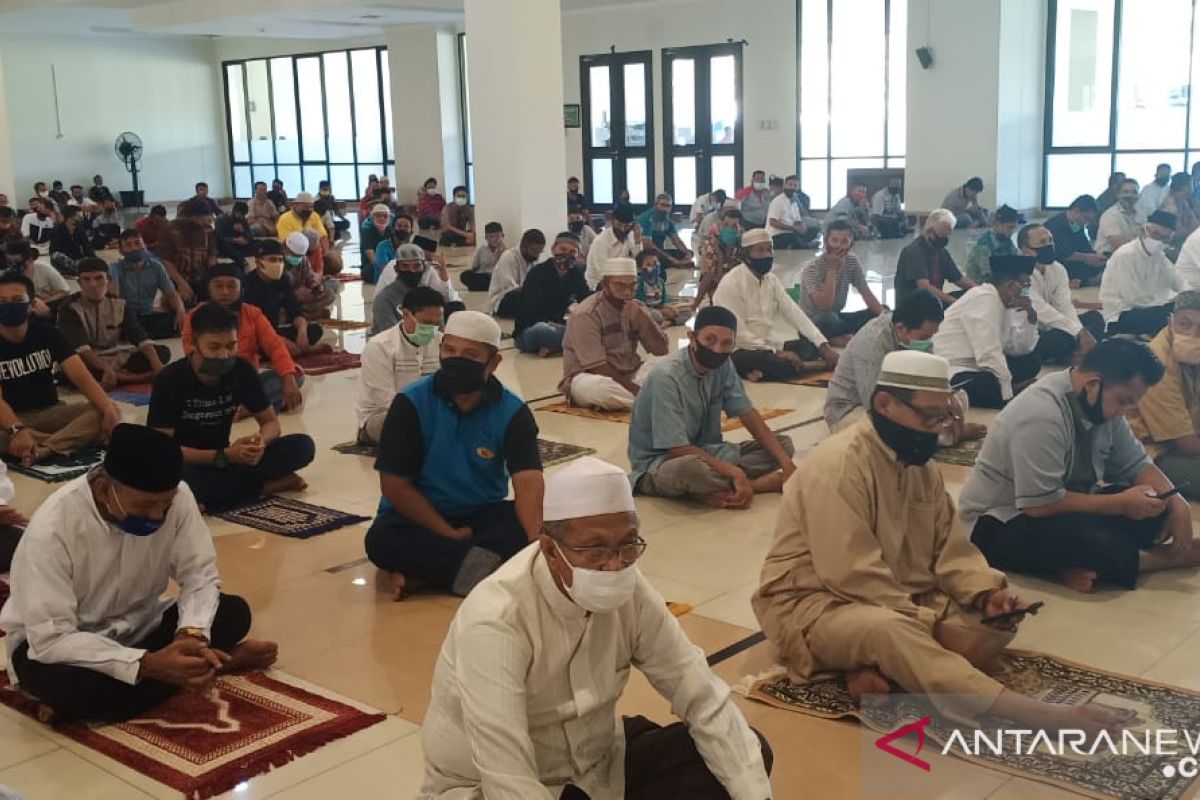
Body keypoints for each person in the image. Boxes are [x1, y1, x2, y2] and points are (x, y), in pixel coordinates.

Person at [754, 350, 1126, 733]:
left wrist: (985, 594)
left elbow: (952, 551)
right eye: (929, 417)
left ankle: (873, 668)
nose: (937, 429)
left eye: (943, 417)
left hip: (900, 596)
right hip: (816, 603)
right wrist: (925, 622)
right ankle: (1036, 715)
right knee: (891, 631)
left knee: (993, 622)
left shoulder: (921, 467)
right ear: (885, 404)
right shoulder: (836, 466)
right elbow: (849, 573)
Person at [417, 456, 773, 800]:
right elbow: (506, 776)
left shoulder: (631, 589)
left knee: (743, 753)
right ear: (550, 550)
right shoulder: (497, 620)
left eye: (627, 545)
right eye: (594, 549)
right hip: (492, 784)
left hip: (596, 763)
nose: (614, 565)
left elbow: (700, 693)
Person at [0, 424, 278, 723]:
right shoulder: (53, 528)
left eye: (165, 505)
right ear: (105, 490)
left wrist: (191, 635)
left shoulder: (178, 497)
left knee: (232, 611)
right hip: (63, 645)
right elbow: (52, 639)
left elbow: (200, 574)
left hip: (141, 625)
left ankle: (157, 680)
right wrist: (146, 663)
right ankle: (218, 664)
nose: (158, 516)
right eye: (146, 506)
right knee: (71, 687)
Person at [960, 339, 1200, 592]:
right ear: (1093, 384)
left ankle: (1071, 565)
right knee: (1090, 542)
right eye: (1123, 401)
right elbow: (1039, 505)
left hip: (1064, 509)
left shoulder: (1102, 404)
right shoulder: (1041, 414)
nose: (1128, 412)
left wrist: (1178, 504)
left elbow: (1138, 464)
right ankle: (1159, 559)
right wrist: (1121, 504)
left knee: (1156, 506)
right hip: (1000, 521)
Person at [366, 310, 543, 600]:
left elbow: (529, 481)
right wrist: (446, 532)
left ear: (494, 363)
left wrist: (536, 543)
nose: (457, 359)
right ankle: (487, 572)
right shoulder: (411, 403)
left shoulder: (513, 412)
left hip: (480, 515)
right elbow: (395, 486)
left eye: (470, 354)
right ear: (440, 350)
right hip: (417, 518)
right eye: (450, 350)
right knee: (381, 541)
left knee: (532, 525)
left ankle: (424, 574)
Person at [151, 302, 314, 511]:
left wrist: (257, 444)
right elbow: (162, 449)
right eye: (214, 347)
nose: (224, 355)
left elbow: (271, 423)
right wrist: (223, 455)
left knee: (302, 446)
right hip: (189, 462)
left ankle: (214, 498)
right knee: (165, 475)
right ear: (193, 343)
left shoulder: (242, 370)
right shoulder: (170, 379)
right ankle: (265, 487)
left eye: (231, 346)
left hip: (230, 459)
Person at [628, 305, 796, 508]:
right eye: (710, 340)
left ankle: (710, 490)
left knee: (784, 445)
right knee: (690, 469)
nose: (717, 349)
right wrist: (734, 472)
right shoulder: (667, 377)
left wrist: (787, 465)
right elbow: (677, 449)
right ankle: (756, 484)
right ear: (692, 338)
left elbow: (748, 413)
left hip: (708, 452)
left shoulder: (722, 366)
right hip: (661, 464)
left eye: (726, 344)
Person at [0, 272, 117, 465]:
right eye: (2, 301)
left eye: (16, 300)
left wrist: (108, 409)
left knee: (103, 411)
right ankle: (67, 441)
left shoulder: (48, 334)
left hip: (51, 411)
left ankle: (44, 449)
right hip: (10, 420)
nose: (9, 305)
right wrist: (17, 430)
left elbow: (81, 376)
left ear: (31, 305)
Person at [714, 228, 837, 382]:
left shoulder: (771, 280)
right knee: (779, 364)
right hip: (738, 349)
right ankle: (817, 366)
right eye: (759, 250)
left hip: (766, 344)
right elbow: (738, 334)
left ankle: (758, 372)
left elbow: (794, 312)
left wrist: (823, 345)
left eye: (769, 249)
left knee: (808, 348)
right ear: (745, 255)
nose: (767, 255)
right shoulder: (731, 283)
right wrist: (776, 352)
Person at [182, 266, 304, 412]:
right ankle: (256, 406)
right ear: (208, 289)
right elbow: (190, 354)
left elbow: (275, 346)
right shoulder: (195, 316)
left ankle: (244, 407)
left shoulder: (253, 314)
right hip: (209, 381)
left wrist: (288, 378)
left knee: (293, 375)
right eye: (218, 286)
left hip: (246, 382)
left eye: (231, 286)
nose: (225, 292)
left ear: (242, 290)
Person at [824, 291, 945, 431]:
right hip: (851, 409)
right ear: (900, 328)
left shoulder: (912, 335)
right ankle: (943, 435)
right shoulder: (873, 341)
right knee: (906, 429)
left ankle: (940, 433)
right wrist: (917, 412)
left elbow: (927, 377)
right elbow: (874, 403)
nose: (928, 342)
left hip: (896, 400)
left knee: (957, 401)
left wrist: (943, 399)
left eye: (931, 336)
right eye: (924, 337)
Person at [930, 255, 1040, 409]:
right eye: (1025, 285)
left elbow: (1016, 348)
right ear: (1010, 286)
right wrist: (1006, 395)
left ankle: (1007, 390)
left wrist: (1030, 318)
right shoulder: (984, 298)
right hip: (954, 367)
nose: (1027, 290)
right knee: (986, 383)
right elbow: (988, 353)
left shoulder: (1005, 303)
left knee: (1031, 360)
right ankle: (1009, 393)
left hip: (978, 364)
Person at [560, 257, 669, 411]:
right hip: (590, 377)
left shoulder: (637, 307)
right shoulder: (587, 314)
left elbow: (661, 351)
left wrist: (644, 319)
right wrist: (634, 389)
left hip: (630, 373)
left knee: (666, 366)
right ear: (605, 285)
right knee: (601, 390)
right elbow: (597, 367)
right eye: (620, 286)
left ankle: (641, 401)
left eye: (632, 286)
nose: (627, 292)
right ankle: (652, 403)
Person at [58, 258, 170, 389]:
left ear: (108, 280)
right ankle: (140, 378)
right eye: (86, 279)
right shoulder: (69, 308)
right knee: (73, 370)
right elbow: (81, 348)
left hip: (115, 355)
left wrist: (156, 363)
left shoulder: (119, 304)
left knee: (161, 353)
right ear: (79, 283)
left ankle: (118, 377)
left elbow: (139, 335)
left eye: (99, 278)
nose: (93, 284)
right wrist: (106, 369)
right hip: (87, 358)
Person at [1130, 290, 1200, 499]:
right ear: (1170, 322)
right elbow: (1186, 444)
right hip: (1155, 452)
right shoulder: (1157, 363)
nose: (1192, 335)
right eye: (1184, 324)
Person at [357, 288, 444, 448]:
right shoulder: (380, 347)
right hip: (385, 417)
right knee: (404, 427)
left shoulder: (441, 342)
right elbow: (385, 401)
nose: (432, 329)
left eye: (436, 324)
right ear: (405, 314)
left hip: (431, 414)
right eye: (426, 323)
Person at [1018, 223, 1103, 366]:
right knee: (1063, 338)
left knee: (1095, 318)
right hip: (1029, 331)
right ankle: (1075, 352)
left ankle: (1073, 353)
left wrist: (1079, 330)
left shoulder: (1057, 269)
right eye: (1042, 242)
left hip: (1055, 326)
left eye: (1050, 240)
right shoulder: (1019, 273)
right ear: (1026, 249)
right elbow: (1040, 310)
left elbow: (1064, 305)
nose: (1049, 245)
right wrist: (1078, 332)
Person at [798, 219, 884, 342]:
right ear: (826, 241)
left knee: (876, 313)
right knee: (828, 316)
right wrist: (831, 270)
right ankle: (839, 337)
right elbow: (824, 305)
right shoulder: (812, 268)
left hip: (836, 317)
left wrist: (885, 317)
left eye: (844, 241)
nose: (838, 246)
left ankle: (841, 336)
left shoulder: (852, 262)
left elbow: (866, 293)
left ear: (851, 243)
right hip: (813, 321)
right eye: (834, 240)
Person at [241, 239, 329, 358]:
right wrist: (278, 340)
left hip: (275, 330)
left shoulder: (283, 280)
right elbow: (251, 326)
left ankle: (293, 349)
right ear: (258, 262)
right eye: (272, 260)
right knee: (251, 345)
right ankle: (303, 351)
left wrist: (302, 333)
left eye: (280, 260)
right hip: (256, 334)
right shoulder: (248, 284)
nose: (277, 264)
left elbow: (295, 311)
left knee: (314, 330)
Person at [1100, 209, 1182, 336]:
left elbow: (1179, 283)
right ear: (1143, 231)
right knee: (1171, 315)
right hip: (1121, 316)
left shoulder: (1159, 257)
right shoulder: (1125, 255)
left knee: (1186, 308)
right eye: (1156, 234)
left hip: (1150, 309)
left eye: (1165, 238)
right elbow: (1133, 299)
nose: (1160, 241)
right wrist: (1165, 302)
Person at [514, 233, 590, 357]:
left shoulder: (576, 274)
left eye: (572, 252)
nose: (567, 255)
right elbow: (531, 312)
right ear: (553, 249)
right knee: (543, 330)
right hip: (531, 329)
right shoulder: (538, 273)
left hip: (562, 327)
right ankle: (566, 345)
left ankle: (556, 347)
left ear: (578, 254)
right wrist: (557, 322)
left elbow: (586, 300)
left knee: (592, 329)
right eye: (563, 249)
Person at [371, 244, 465, 335]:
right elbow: (391, 336)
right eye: (405, 266)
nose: (411, 271)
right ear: (396, 269)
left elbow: (439, 331)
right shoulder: (385, 299)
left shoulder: (428, 295)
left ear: (424, 268)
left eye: (416, 266)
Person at [109, 229, 185, 340]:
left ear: (145, 245)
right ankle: (141, 335)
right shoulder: (115, 268)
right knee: (119, 327)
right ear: (121, 251)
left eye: (138, 243)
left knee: (177, 319)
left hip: (148, 314)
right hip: (127, 316)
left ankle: (140, 336)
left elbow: (171, 293)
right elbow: (113, 297)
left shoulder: (156, 266)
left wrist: (180, 309)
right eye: (128, 245)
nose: (135, 248)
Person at [894, 209, 977, 306]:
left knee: (971, 296)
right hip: (915, 305)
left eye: (947, 236)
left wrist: (979, 290)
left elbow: (958, 279)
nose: (944, 240)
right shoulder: (913, 251)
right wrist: (955, 302)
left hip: (934, 301)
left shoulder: (941, 252)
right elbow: (924, 287)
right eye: (942, 236)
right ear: (929, 232)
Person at [154, 198, 217, 307]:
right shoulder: (170, 229)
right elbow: (166, 261)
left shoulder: (207, 230)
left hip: (201, 278)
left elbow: (212, 255)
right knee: (179, 310)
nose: (208, 219)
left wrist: (212, 278)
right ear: (192, 216)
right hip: (175, 279)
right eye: (203, 217)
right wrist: (181, 284)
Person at [1044, 194, 1105, 285]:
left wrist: (1097, 257)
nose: (1087, 223)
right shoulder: (1055, 225)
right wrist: (1086, 258)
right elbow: (1063, 254)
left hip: (1075, 261)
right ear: (1076, 211)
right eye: (1086, 219)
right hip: (1057, 264)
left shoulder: (1077, 225)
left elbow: (1085, 247)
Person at [488, 228, 546, 317]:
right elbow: (509, 288)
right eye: (534, 251)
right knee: (521, 296)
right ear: (524, 246)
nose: (537, 255)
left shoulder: (533, 258)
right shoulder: (509, 256)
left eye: (539, 252)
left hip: (523, 295)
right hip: (503, 300)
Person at [281, 232, 338, 321]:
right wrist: (294, 294)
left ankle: (304, 314)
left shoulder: (303, 260)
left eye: (299, 256)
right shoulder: (277, 261)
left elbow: (309, 277)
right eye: (294, 255)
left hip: (303, 298)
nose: (297, 258)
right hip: (285, 299)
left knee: (330, 293)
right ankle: (306, 315)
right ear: (285, 248)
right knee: (280, 309)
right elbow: (273, 291)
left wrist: (317, 285)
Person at [694, 209, 744, 309]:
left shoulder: (742, 243)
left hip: (732, 281)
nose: (729, 229)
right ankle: (696, 304)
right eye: (726, 225)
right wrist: (720, 255)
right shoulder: (711, 243)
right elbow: (712, 275)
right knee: (709, 279)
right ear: (720, 224)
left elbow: (738, 272)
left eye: (734, 227)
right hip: (716, 277)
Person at [6, 241, 68, 320]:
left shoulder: (43, 268)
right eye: (10, 263)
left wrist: (44, 302)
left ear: (30, 260)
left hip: (48, 308)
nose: (13, 267)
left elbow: (65, 291)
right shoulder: (7, 276)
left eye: (18, 263)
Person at [585, 206, 641, 290]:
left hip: (624, 278)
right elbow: (603, 272)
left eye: (627, 226)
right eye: (619, 225)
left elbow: (638, 261)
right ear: (612, 221)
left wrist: (638, 240)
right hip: (599, 284)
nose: (622, 229)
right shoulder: (601, 241)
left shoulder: (630, 234)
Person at [636, 193, 694, 268]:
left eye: (668, 206)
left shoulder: (667, 221)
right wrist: (671, 259)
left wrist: (687, 253)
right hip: (645, 252)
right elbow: (648, 245)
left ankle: (676, 263)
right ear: (656, 205)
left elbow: (676, 240)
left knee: (688, 252)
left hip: (660, 250)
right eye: (662, 205)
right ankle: (674, 263)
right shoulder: (647, 219)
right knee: (658, 258)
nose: (665, 208)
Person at [964, 204, 1019, 283]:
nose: (1012, 231)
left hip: (1001, 281)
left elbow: (1015, 260)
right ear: (996, 224)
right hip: (981, 287)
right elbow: (988, 277)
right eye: (1009, 227)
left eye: (1014, 227)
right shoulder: (984, 245)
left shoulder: (1005, 239)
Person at [634, 250, 687, 327]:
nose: (654, 267)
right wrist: (662, 312)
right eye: (649, 265)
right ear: (639, 269)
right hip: (647, 311)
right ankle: (663, 322)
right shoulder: (640, 283)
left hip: (659, 310)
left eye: (656, 263)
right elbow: (641, 306)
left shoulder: (660, 282)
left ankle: (668, 322)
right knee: (656, 315)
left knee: (686, 312)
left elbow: (663, 303)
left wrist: (670, 309)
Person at [766, 174, 820, 248]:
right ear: (785, 185)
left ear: (798, 187)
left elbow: (797, 221)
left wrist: (802, 227)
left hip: (790, 231)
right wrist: (793, 228)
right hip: (776, 235)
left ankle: (803, 243)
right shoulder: (778, 201)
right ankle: (806, 245)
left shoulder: (794, 203)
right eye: (790, 184)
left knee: (813, 230)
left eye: (795, 185)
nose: (792, 187)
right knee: (791, 236)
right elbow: (773, 222)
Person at [1094, 178, 1142, 256]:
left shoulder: (1140, 214)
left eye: (1134, 192)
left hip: (1130, 257)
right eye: (1125, 192)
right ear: (1118, 195)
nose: (1130, 195)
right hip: (1107, 260)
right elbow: (1120, 245)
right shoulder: (1110, 215)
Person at [48, 206, 96, 276]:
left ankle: (81, 268)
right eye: (78, 216)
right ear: (69, 217)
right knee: (56, 255)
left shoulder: (80, 230)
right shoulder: (56, 231)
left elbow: (87, 246)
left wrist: (94, 260)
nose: (81, 218)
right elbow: (54, 252)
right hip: (64, 260)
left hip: (78, 258)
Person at [462, 221, 505, 291]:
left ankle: (477, 286)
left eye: (497, 236)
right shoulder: (481, 250)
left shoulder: (507, 252)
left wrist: (499, 254)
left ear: (503, 236)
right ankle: (478, 285)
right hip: (481, 275)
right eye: (491, 236)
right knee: (465, 275)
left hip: (495, 277)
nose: (494, 239)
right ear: (486, 238)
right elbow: (475, 267)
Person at [359, 204, 393, 284]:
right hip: (373, 265)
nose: (382, 218)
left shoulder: (391, 230)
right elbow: (370, 253)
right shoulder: (367, 230)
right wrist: (383, 268)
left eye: (385, 216)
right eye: (378, 216)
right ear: (373, 217)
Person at [1163, 172, 1200, 245]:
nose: (1194, 186)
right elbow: (1179, 233)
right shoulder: (1170, 206)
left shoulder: (1183, 201)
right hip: (1169, 246)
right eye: (1192, 184)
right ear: (1185, 187)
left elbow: (1194, 223)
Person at [215, 202, 255, 266]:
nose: (241, 216)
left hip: (240, 245)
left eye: (243, 215)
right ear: (234, 211)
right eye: (239, 214)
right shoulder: (221, 220)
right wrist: (234, 240)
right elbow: (218, 239)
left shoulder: (242, 220)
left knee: (256, 244)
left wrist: (242, 230)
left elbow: (250, 236)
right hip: (227, 246)